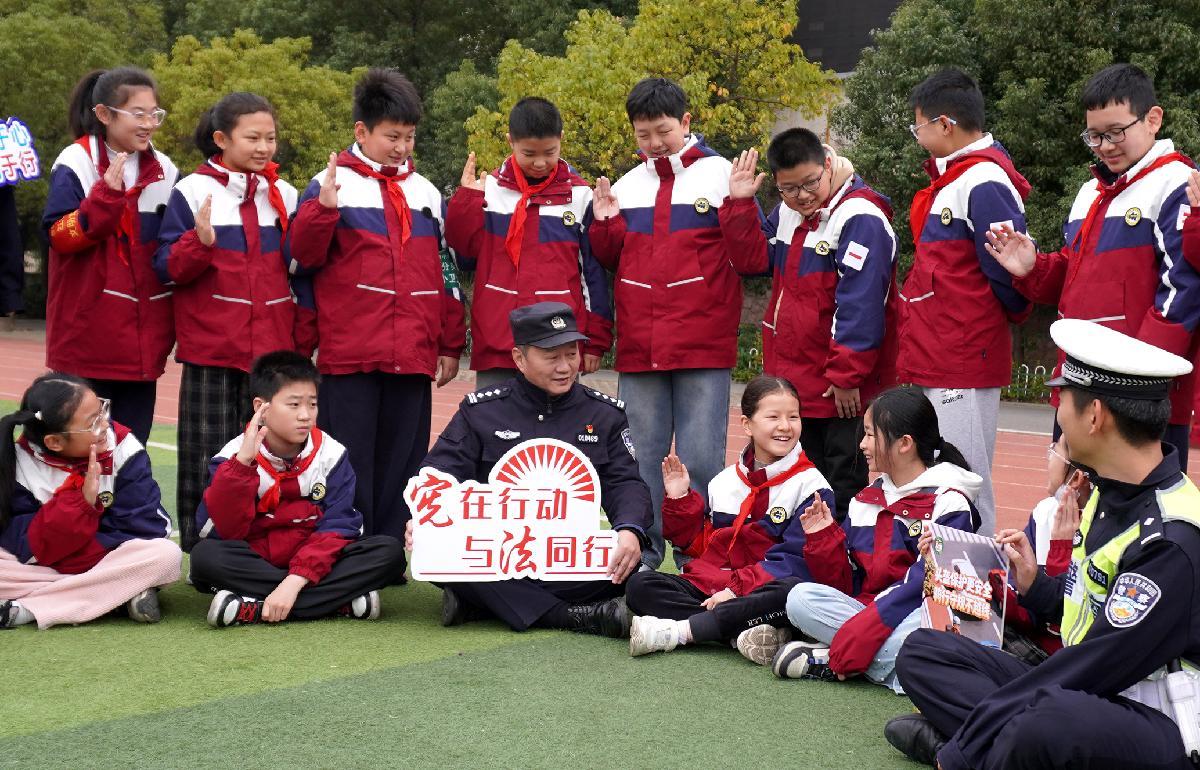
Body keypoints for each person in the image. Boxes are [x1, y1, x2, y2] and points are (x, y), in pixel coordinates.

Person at [887, 319, 1200, 769]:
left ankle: (972, 749)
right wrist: (1036, 586)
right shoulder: (1110, 491)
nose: (1058, 416)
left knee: (1048, 720)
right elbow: (1093, 613)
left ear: (1094, 416)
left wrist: (962, 751)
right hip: (1093, 688)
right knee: (923, 652)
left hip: (1161, 718)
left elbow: (1094, 667)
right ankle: (1001, 749)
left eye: (1062, 401)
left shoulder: (1170, 537)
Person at [986, 63, 1200, 470]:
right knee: (1068, 500)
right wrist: (1033, 269)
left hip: (1139, 397)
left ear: (1153, 119)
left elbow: (1182, 291)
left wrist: (1138, 377)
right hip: (1079, 382)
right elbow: (1076, 275)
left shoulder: (1177, 183)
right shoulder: (1090, 192)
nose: (1104, 146)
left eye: (1115, 132)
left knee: (1136, 505)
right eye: (1094, 136)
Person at [287, 69, 466, 552]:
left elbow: (447, 270)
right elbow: (300, 262)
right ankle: (344, 546)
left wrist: (451, 342)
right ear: (362, 131)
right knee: (346, 459)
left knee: (403, 460)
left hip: (412, 354)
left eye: (409, 137)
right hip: (350, 355)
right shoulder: (329, 184)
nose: (401, 147)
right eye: (392, 136)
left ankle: (385, 552)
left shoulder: (426, 193)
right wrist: (322, 212)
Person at [589, 77, 764, 568]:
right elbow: (611, 260)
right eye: (643, 134)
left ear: (686, 122)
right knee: (640, 457)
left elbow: (753, 260)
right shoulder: (627, 185)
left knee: (701, 460)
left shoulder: (722, 175)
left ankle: (698, 557)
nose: (654, 143)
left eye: (662, 131)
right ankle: (642, 552)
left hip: (703, 344)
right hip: (641, 347)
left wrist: (742, 204)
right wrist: (605, 224)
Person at [412, 302, 652, 636]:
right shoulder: (482, 411)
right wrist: (423, 516)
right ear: (519, 359)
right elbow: (440, 473)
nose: (565, 367)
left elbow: (625, 483)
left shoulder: (603, 415)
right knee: (438, 552)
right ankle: (571, 616)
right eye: (551, 357)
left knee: (628, 569)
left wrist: (629, 530)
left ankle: (484, 602)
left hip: (566, 556)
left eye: (571, 354)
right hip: (498, 553)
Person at [720, 128, 898, 519]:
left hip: (839, 387)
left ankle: (843, 554)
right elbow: (752, 262)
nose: (802, 195)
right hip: (794, 383)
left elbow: (861, 303)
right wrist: (741, 204)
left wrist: (847, 375)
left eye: (810, 183)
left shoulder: (860, 217)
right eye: (788, 188)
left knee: (842, 485)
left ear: (828, 164)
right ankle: (796, 554)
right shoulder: (788, 212)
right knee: (794, 486)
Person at [155, 92, 300, 551]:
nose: (264, 147)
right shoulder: (192, 191)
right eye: (252, 138)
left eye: (270, 138)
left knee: (274, 453)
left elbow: (300, 267)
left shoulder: (284, 195)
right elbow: (166, 267)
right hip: (213, 351)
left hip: (272, 353)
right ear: (221, 139)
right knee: (208, 456)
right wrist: (198, 243)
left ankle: (261, 545)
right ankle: (202, 550)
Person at [764, 387, 979, 692]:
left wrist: (868, 628)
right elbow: (846, 585)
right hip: (866, 613)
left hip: (914, 614)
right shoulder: (864, 500)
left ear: (904, 444)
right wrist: (824, 539)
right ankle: (895, 670)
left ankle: (835, 659)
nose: (862, 445)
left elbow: (925, 587)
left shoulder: (950, 502)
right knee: (800, 598)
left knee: (924, 630)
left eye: (870, 435)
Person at [900, 68, 1033, 537]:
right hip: (942, 349)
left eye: (918, 126)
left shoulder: (984, 181)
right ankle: (942, 572)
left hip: (964, 352)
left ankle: (977, 572)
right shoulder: (953, 180)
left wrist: (984, 325)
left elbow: (1007, 271)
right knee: (941, 477)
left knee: (964, 478)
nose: (917, 137)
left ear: (945, 124)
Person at [623, 375, 834, 661]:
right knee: (640, 586)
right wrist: (680, 499)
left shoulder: (812, 487)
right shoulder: (724, 482)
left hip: (762, 591)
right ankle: (741, 632)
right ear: (746, 424)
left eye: (793, 417)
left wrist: (735, 591)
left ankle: (692, 629)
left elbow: (793, 561)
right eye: (773, 417)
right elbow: (700, 547)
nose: (785, 426)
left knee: (792, 591)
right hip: (716, 587)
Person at [190, 351, 405, 627]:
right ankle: (336, 603)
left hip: (315, 562)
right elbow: (225, 530)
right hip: (258, 560)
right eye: (293, 405)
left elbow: (339, 525)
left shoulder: (331, 454)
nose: (305, 415)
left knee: (389, 553)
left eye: (312, 404)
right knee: (205, 558)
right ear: (261, 407)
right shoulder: (232, 456)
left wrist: (294, 581)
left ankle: (253, 607)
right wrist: (243, 466)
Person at [41, 67, 179, 443]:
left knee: (130, 450)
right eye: (138, 113)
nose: (149, 123)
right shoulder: (76, 161)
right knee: (80, 447)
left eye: (155, 114)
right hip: (86, 338)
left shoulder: (165, 170)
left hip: (143, 344)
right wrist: (104, 200)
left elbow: (170, 248)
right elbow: (58, 236)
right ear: (104, 114)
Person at [446, 96, 612, 388]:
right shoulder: (489, 190)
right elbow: (464, 255)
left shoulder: (580, 196)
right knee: (494, 415)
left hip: (558, 342)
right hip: (498, 338)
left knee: (558, 418)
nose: (539, 162)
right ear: (510, 141)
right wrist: (467, 202)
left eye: (550, 152)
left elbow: (592, 275)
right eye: (529, 153)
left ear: (561, 139)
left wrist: (596, 340)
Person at [0, 373, 180, 629]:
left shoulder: (123, 447)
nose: (105, 424)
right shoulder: (17, 462)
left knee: (165, 556)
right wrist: (79, 505)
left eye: (102, 411)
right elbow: (20, 544)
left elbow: (147, 527)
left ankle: (27, 609)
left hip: (100, 561)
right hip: (63, 565)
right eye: (92, 422)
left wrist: (73, 558)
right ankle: (113, 596)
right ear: (55, 442)